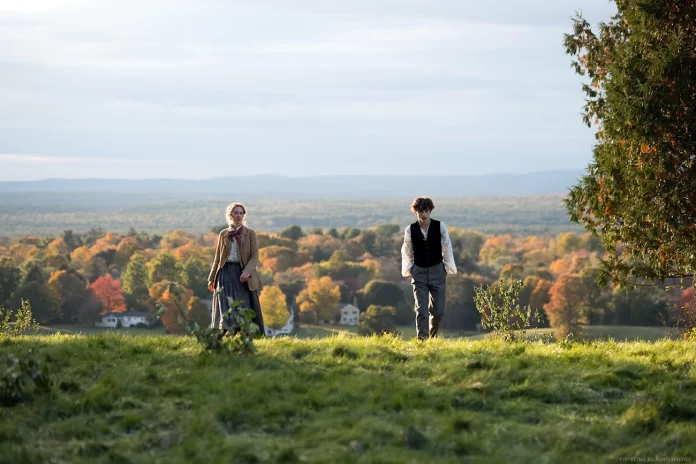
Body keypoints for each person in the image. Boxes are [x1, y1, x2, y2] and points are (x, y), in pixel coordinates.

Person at [401, 197, 457, 340]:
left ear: (430, 211)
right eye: (420, 211)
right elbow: (406, 250)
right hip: (419, 272)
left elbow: (447, 248)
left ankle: (432, 335)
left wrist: (447, 267)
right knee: (421, 309)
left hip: (437, 271)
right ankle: (422, 341)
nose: (424, 214)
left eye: (426, 210)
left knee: (438, 311)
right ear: (415, 212)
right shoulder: (410, 230)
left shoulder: (440, 227)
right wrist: (410, 269)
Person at [208, 202, 265, 336]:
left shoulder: (250, 234)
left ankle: (245, 334)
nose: (238, 215)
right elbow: (217, 258)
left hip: (242, 274)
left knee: (242, 304)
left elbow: (255, 255)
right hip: (225, 273)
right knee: (225, 304)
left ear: (243, 215)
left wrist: (247, 272)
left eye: (241, 213)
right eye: (236, 213)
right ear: (230, 215)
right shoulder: (223, 234)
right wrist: (211, 279)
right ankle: (223, 334)